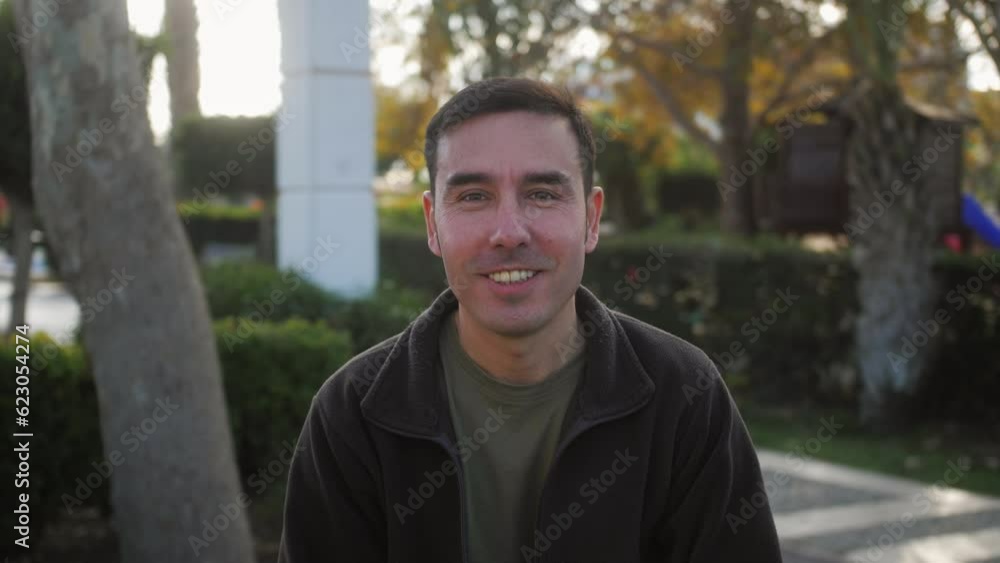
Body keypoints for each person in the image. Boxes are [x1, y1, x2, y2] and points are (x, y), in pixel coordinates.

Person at [278, 77, 783, 562]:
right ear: (433, 224)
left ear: (592, 217)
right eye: (474, 196)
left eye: (543, 194)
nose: (509, 232)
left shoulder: (685, 395)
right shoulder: (353, 413)